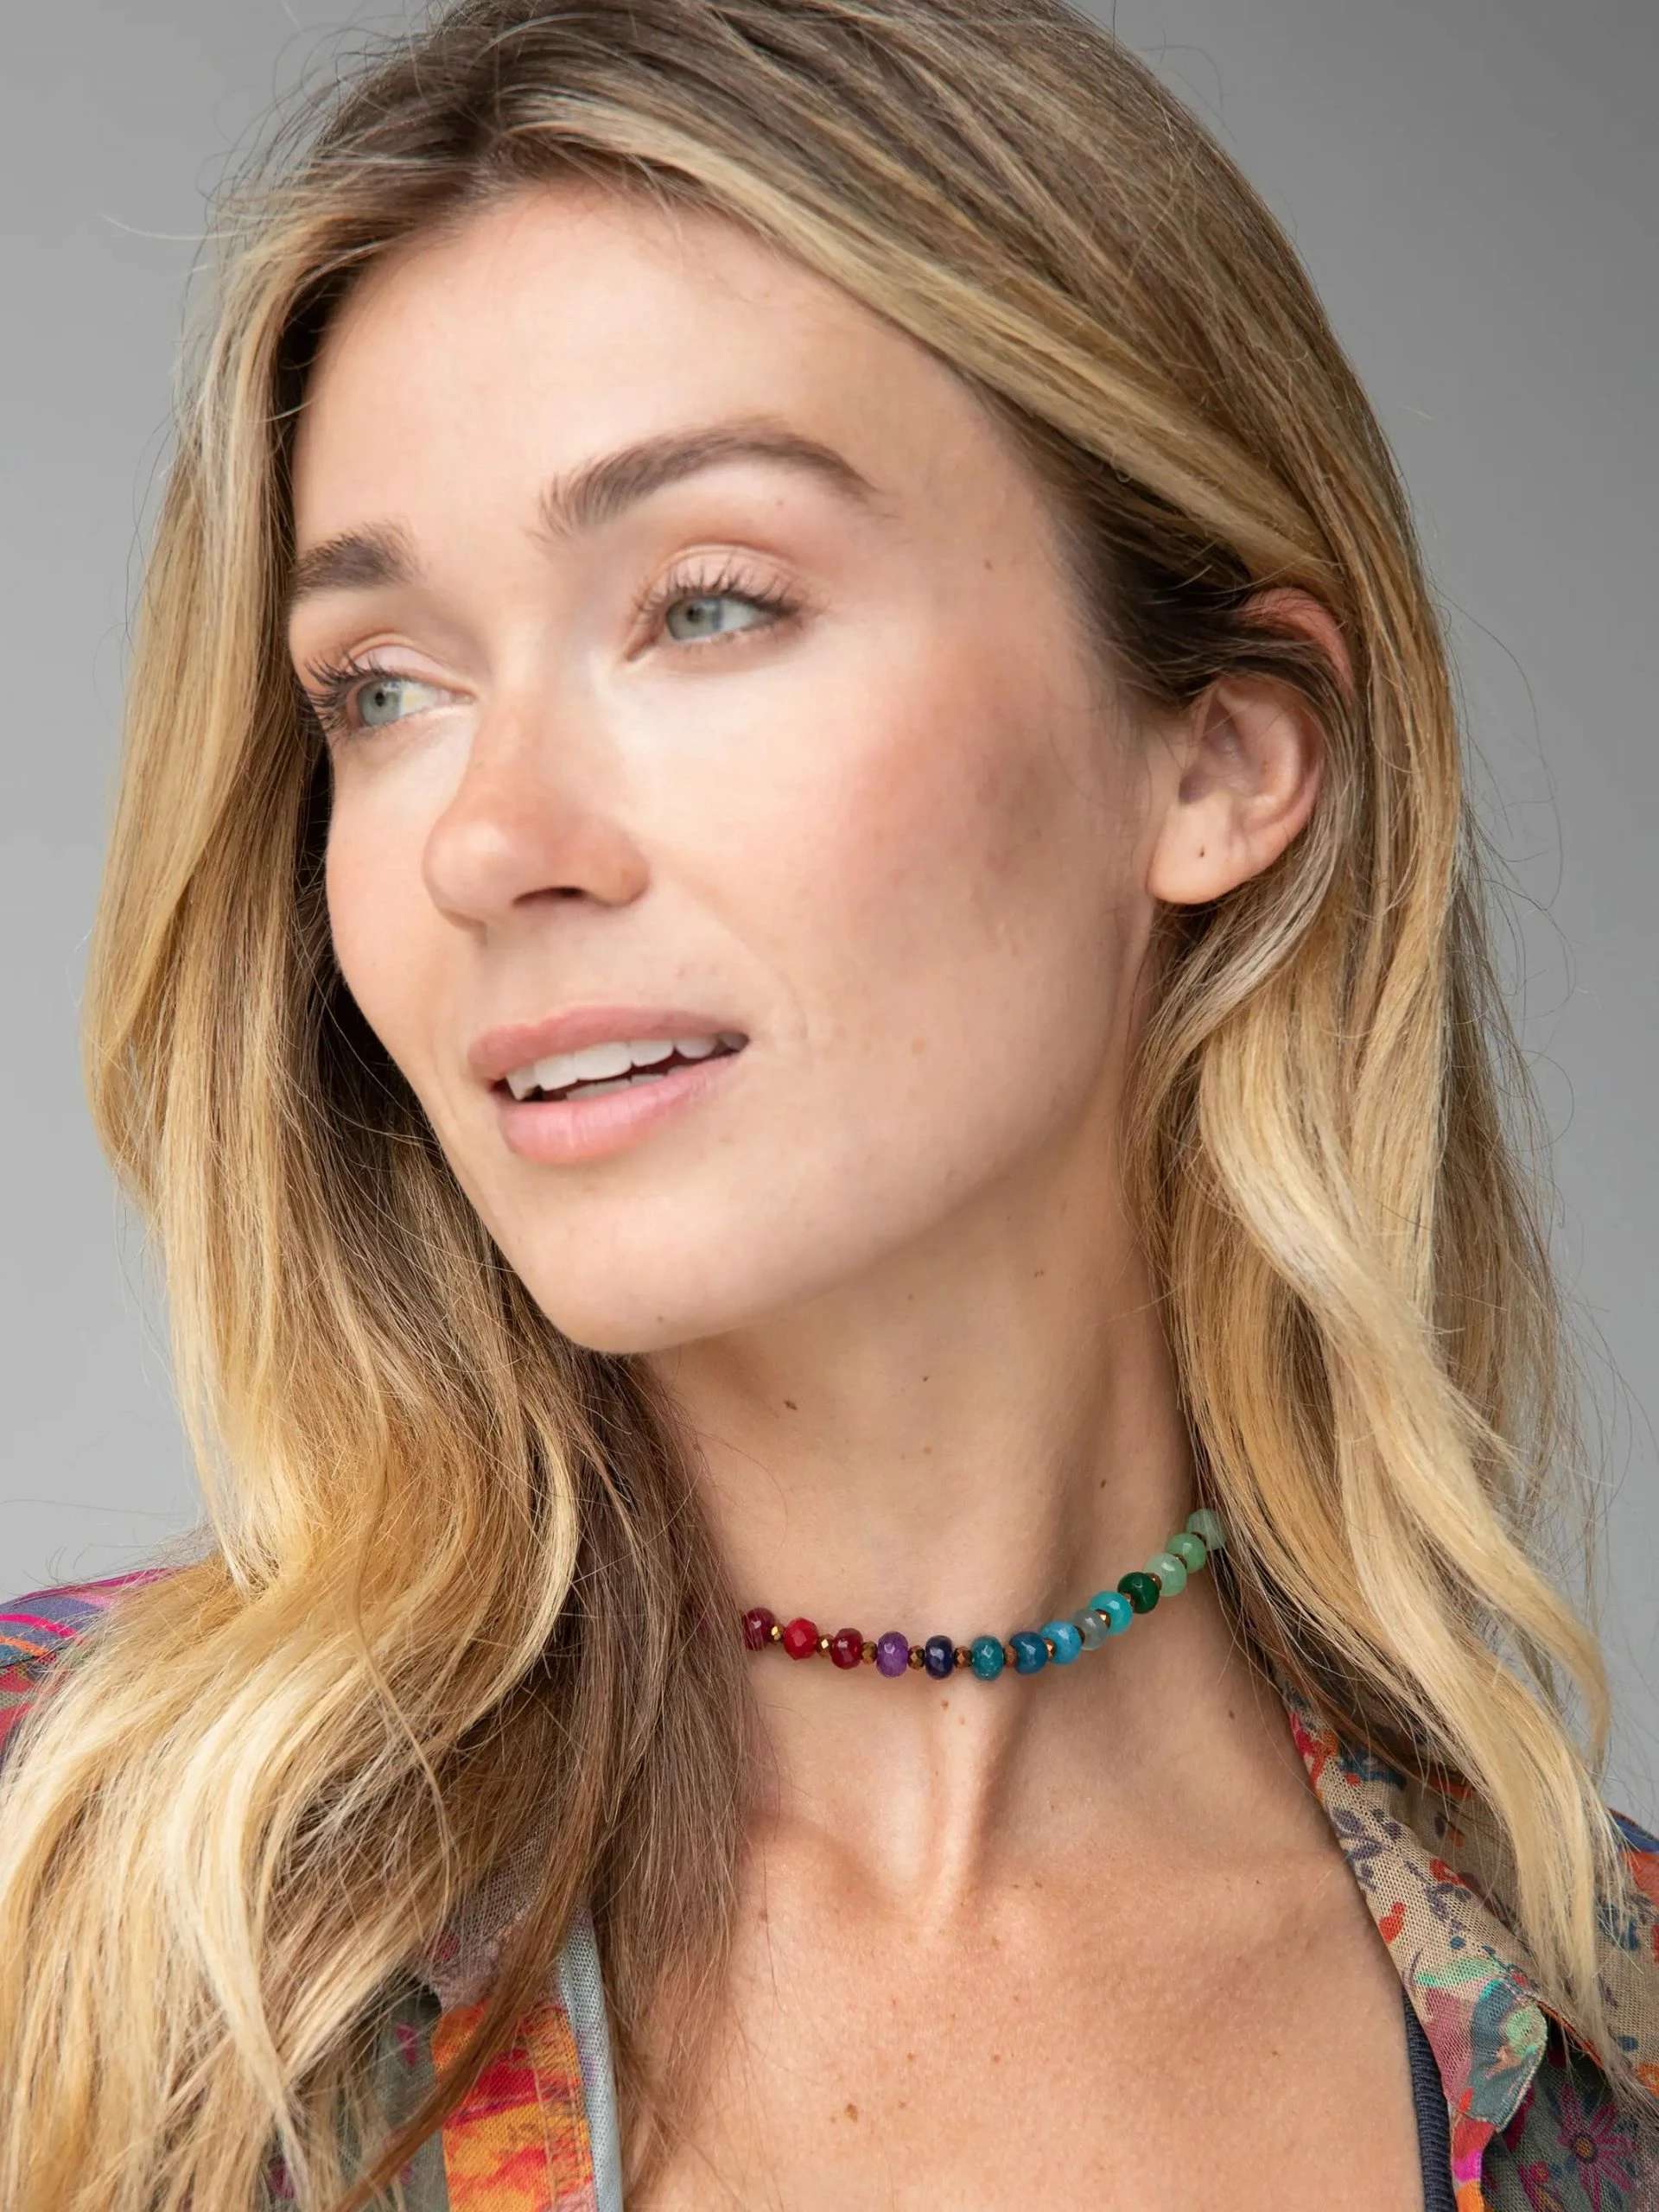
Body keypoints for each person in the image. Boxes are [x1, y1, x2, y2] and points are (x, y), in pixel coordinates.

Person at [1, 0, 1655, 2204]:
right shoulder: (76, 1893)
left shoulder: (1599, 2067)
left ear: (1221, 756)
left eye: (705, 606)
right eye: (382, 688)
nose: (488, 838)